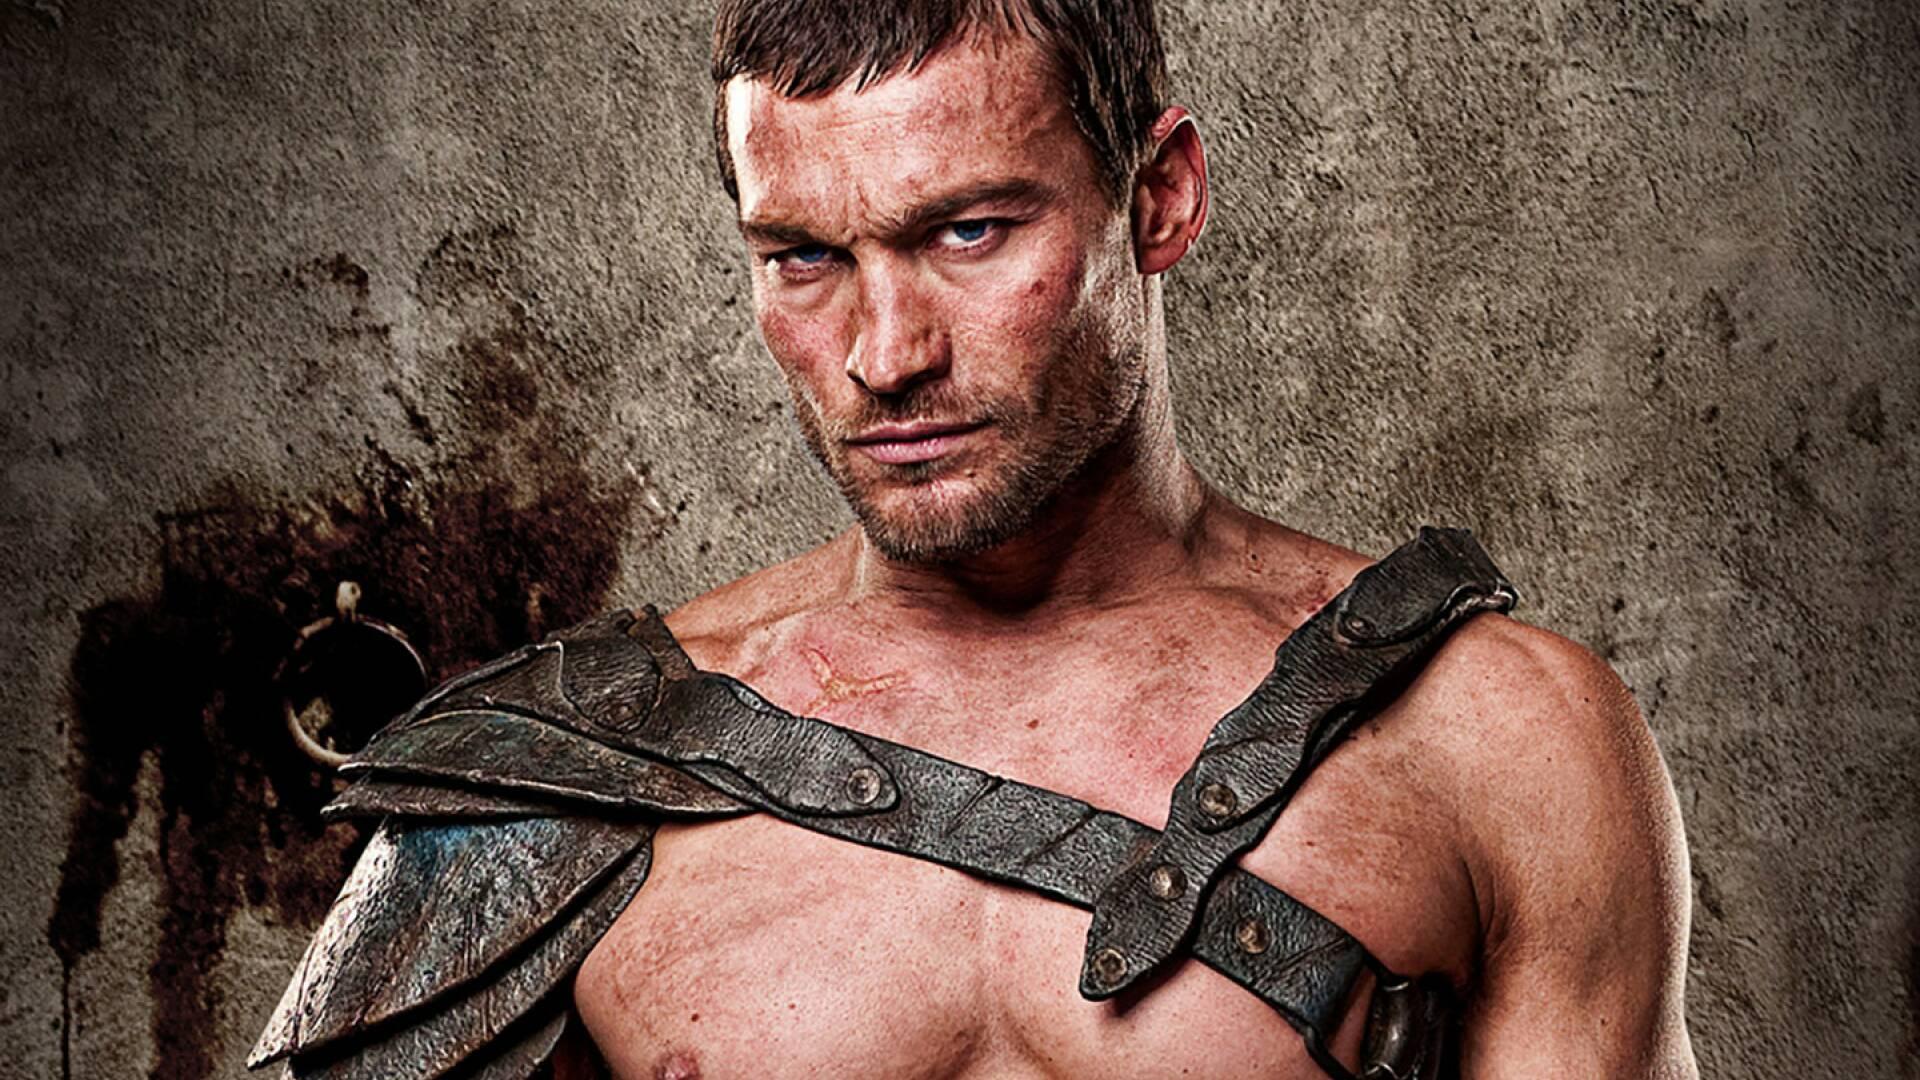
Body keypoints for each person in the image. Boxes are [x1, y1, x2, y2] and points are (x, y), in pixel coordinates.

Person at [253, 2, 1697, 1078]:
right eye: (803, 257)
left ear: (1159, 196)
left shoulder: (1499, 741)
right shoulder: (566, 779)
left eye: (969, 233)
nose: (884, 356)